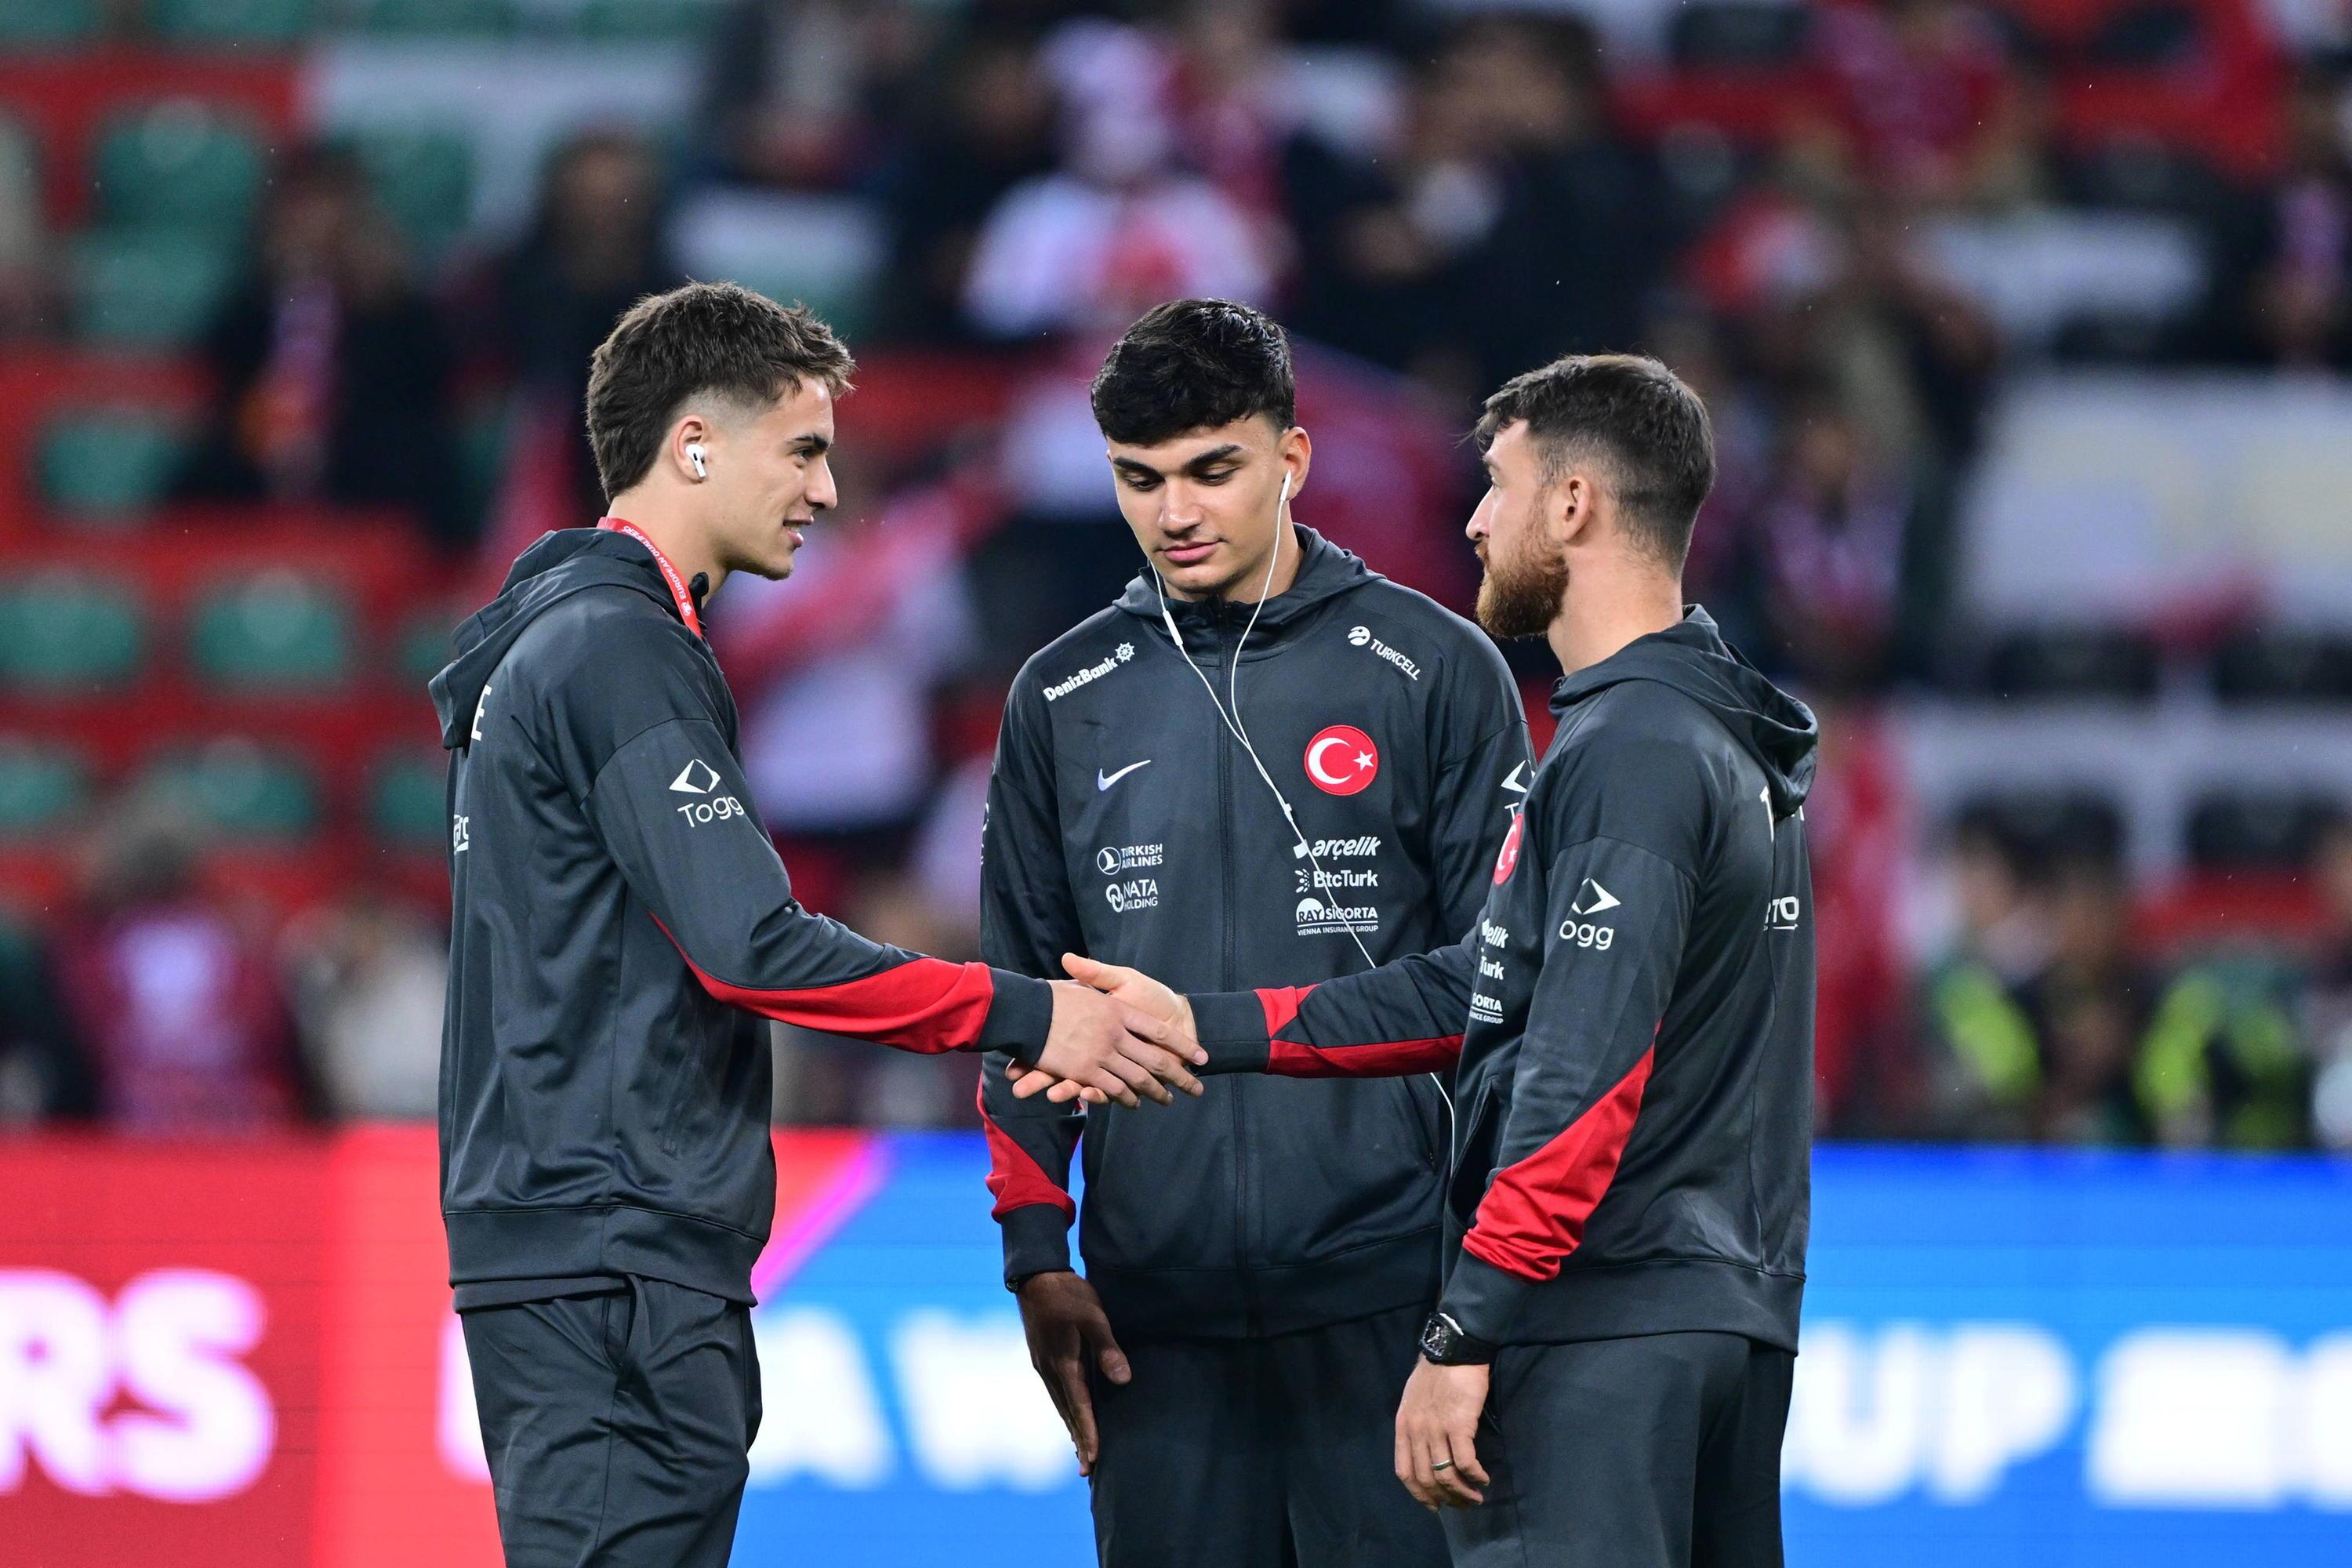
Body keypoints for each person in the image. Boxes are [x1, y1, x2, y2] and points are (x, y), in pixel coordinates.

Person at [429, 281, 1203, 1568]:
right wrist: (1030, 1013)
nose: (827, 491)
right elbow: (754, 947)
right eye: (800, 452)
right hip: (619, 1244)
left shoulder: (553, 640)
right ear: (692, 446)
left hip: (573, 1235)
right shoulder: (619, 650)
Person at [1044, 354, 1820, 1568]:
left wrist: (1465, 1329)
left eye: (1498, 485)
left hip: (1603, 1322)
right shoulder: (1716, 733)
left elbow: (1582, 1073)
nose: (1475, 520)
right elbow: (1490, 988)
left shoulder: (1631, 753)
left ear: (1572, 504)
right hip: (1722, 1310)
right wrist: (1208, 1028)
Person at [978, 299, 1530, 1566]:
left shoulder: (1437, 668)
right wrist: (1034, 1253)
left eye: (1212, 470)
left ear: (1292, 457)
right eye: (1140, 479)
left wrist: (1480, 1304)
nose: (1175, 512)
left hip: (1390, 1306)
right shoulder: (1061, 697)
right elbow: (1020, 1005)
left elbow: (1499, 991)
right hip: (1151, 1323)